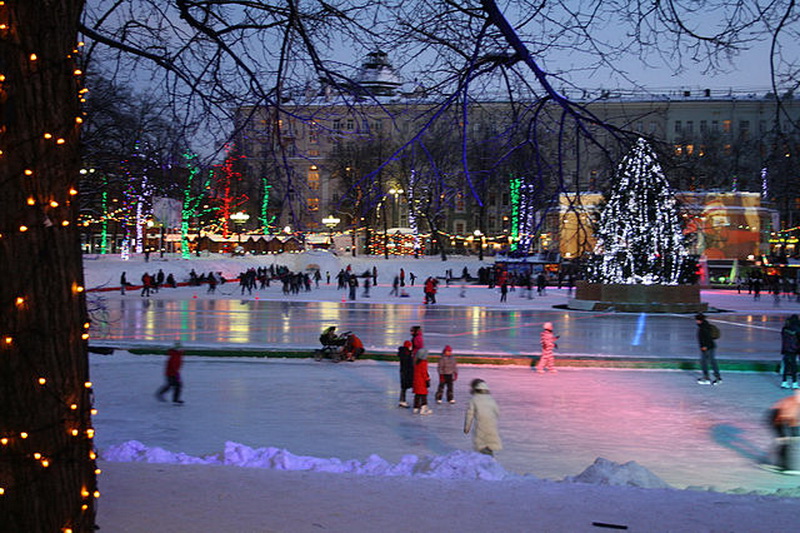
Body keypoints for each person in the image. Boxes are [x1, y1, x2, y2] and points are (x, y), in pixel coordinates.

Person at [464, 379, 502, 457]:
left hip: (481, 424)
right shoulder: (491, 399)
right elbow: (497, 411)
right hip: (491, 424)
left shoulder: (474, 399)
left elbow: (469, 414)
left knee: (481, 443)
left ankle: (485, 460)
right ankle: (490, 458)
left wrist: (467, 427)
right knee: (490, 442)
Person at [767, 389, 800, 472]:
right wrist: (782, 435)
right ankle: (782, 465)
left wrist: (795, 433)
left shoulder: (796, 403)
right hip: (775, 418)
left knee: (786, 443)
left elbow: (793, 419)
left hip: (782, 419)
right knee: (785, 443)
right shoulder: (791, 403)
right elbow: (780, 419)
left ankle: (782, 464)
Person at [695, 313, 722, 385]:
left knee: (704, 362)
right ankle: (717, 377)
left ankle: (707, 378)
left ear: (699, 320)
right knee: (712, 361)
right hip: (710, 346)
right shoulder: (706, 325)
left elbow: (706, 338)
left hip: (707, 348)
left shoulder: (703, 327)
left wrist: (705, 346)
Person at [781, 315, 800, 389]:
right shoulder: (797, 329)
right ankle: (794, 383)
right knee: (793, 366)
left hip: (785, 349)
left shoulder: (785, 328)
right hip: (794, 349)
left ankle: (784, 382)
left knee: (786, 366)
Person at [412, 349, 432, 415]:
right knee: (424, 395)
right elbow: (424, 372)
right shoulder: (423, 362)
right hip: (422, 381)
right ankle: (423, 408)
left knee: (417, 395)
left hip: (416, 380)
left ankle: (416, 407)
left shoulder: (416, 361)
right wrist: (427, 379)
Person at [398, 340, 414, 408]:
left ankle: (402, 400)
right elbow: (408, 363)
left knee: (404, 387)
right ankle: (402, 401)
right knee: (404, 386)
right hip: (406, 372)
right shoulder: (406, 354)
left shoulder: (406, 353)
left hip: (405, 371)